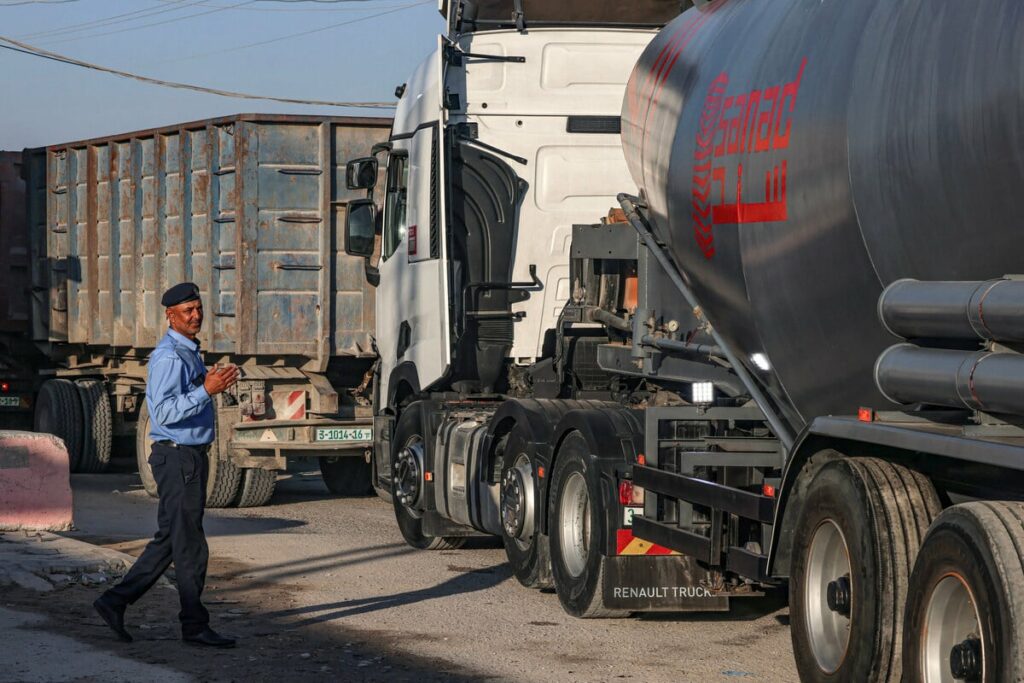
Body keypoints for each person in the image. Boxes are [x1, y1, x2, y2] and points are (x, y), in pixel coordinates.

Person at [94, 282, 240, 648]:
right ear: (169, 316)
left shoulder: (188, 351)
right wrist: (206, 390)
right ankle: (193, 624)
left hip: (188, 457)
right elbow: (162, 412)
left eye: (198, 308)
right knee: (190, 545)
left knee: (170, 541)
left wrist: (211, 385)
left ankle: (114, 601)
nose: (196, 315)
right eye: (187, 311)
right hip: (176, 457)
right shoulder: (169, 356)